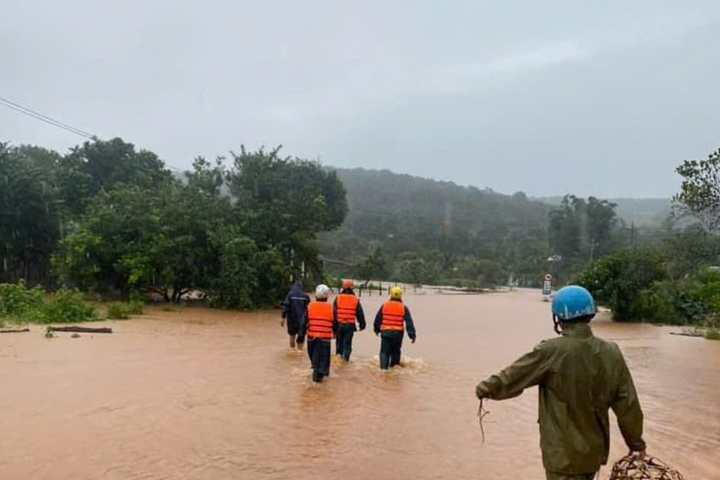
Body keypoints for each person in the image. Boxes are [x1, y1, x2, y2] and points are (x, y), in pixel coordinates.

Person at [475, 286, 646, 480]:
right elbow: (628, 405)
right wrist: (636, 445)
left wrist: (484, 389)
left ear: (558, 317)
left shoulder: (551, 351)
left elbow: (512, 377)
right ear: (590, 314)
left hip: (562, 457)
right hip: (593, 455)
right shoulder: (611, 352)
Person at [373, 286, 416, 369]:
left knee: (384, 352)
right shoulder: (403, 307)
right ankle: (394, 370)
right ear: (400, 295)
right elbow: (409, 322)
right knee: (396, 352)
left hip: (385, 332)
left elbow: (378, 318)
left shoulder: (384, 305)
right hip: (398, 333)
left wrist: (376, 330)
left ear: (391, 294)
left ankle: (383, 370)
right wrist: (412, 335)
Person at [303, 284, 337, 383]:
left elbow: (303, 321)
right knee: (324, 359)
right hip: (325, 339)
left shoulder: (309, 307)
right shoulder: (331, 308)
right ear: (327, 296)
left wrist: (301, 334)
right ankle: (321, 376)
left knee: (314, 358)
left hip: (311, 337)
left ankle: (317, 374)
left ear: (316, 295)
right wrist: (335, 333)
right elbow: (336, 323)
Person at [333, 279, 366, 362]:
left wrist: (332, 326)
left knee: (339, 344)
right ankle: (345, 361)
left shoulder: (338, 298)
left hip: (339, 325)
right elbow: (359, 313)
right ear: (352, 288)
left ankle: (338, 359)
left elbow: (333, 312)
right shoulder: (355, 299)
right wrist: (362, 325)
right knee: (347, 345)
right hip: (349, 326)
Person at [281, 280, 310, 350]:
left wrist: (283, 318)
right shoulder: (305, 296)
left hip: (291, 319)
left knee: (292, 335)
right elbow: (309, 309)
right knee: (301, 336)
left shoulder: (290, 295)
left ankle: (292, 350)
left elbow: (286, 306)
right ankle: (300, 351)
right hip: (302, 321)